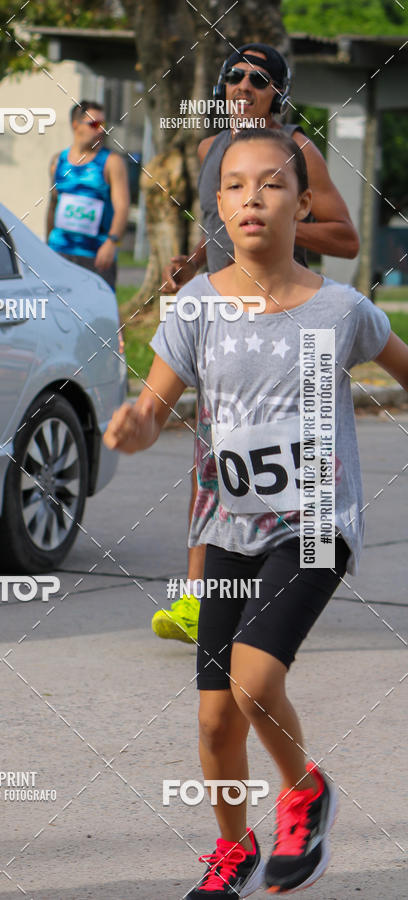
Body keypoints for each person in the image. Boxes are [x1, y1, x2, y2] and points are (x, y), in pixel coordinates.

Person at [104, 128, 408, 896]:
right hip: (227, 527)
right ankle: (234, 849)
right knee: (214, 722)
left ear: (303, 205)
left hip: (313, 526)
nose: (252, 199)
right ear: (217, 205)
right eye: (236, 186)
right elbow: (153, 404)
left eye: (272, 184)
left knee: (252, 682)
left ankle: (304, 791)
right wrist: (137, 425)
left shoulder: (343, 310)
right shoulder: (198, 306)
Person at [152, 43, 360, 645]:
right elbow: (222, 224)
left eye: (260, 79)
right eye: (235, 76)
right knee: (212, 462)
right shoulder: (207, 149)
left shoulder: (298, 148)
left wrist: (283, 221)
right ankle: (200, 600)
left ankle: (294, 578)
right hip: (223, 320)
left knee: (291, 461)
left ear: (277, 93)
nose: (244, 85)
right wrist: (192, 263)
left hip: (285, 322)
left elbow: (345, 237)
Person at [46, 100, 130, 290]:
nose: (101, 130)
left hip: (96, 255)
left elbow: (122, 207)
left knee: (97, 315)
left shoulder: (111, 161)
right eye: (94, 124)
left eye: (103, 125)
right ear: (75, 125)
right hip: (60, 251)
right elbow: (53, 204)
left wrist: (112, 242)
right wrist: (47, 244)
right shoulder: (58, 161)